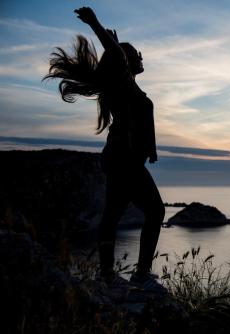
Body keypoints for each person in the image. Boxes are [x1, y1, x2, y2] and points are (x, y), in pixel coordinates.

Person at [44, 7, 165, 291]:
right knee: (156, 211)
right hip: (125, 161)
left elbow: (119, 62)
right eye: (136, 54)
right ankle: (140, 274)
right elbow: (118, 57)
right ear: (125, 61)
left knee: (112, 216)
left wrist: (151, 149)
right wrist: (96, 24)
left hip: (120, 159)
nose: (140, 57)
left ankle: (107, 275)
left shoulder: (126, 87)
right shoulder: (123, 85)